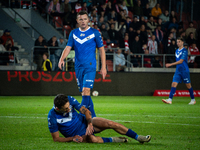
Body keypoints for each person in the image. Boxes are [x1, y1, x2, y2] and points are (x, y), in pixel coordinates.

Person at [58, 11, 107, 118]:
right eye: (81, 19)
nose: (83, 21)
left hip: (90, 66)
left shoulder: (95, 32)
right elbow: (68, 47)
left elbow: (102, 50)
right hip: (78, 67)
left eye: (85, 19)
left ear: (88, 20)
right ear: (77, 21)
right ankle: (92, 117)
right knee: (84, 93)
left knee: (86, 90)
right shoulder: (73, 33)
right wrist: (61, 59)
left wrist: (103, 67)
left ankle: (80, 117)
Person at [47, 94, 151, 143]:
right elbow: (56, 139)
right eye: (65, 109)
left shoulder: (69, 99)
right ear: (57, 108)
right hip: (77, 134)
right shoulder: (52, 116)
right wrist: (72, 138)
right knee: (92, 139)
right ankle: (115, 140)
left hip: (85, 122)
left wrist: (90, 124)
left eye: (69, 107)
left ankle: (138, 137)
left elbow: (86, 111)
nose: (68, 110)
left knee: (111, 123)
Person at [162, 37, 196, 105]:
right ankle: (170, 99)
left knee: (188, 85)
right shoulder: (176, 51)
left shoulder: (185, 51)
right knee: (174, 83)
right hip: (178, 70)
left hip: (184, 70)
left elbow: (181, 61)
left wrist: (170, 64)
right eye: (177, 42)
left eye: (179, 42)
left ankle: (193, 99)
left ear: (182, 42)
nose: (177, 43)